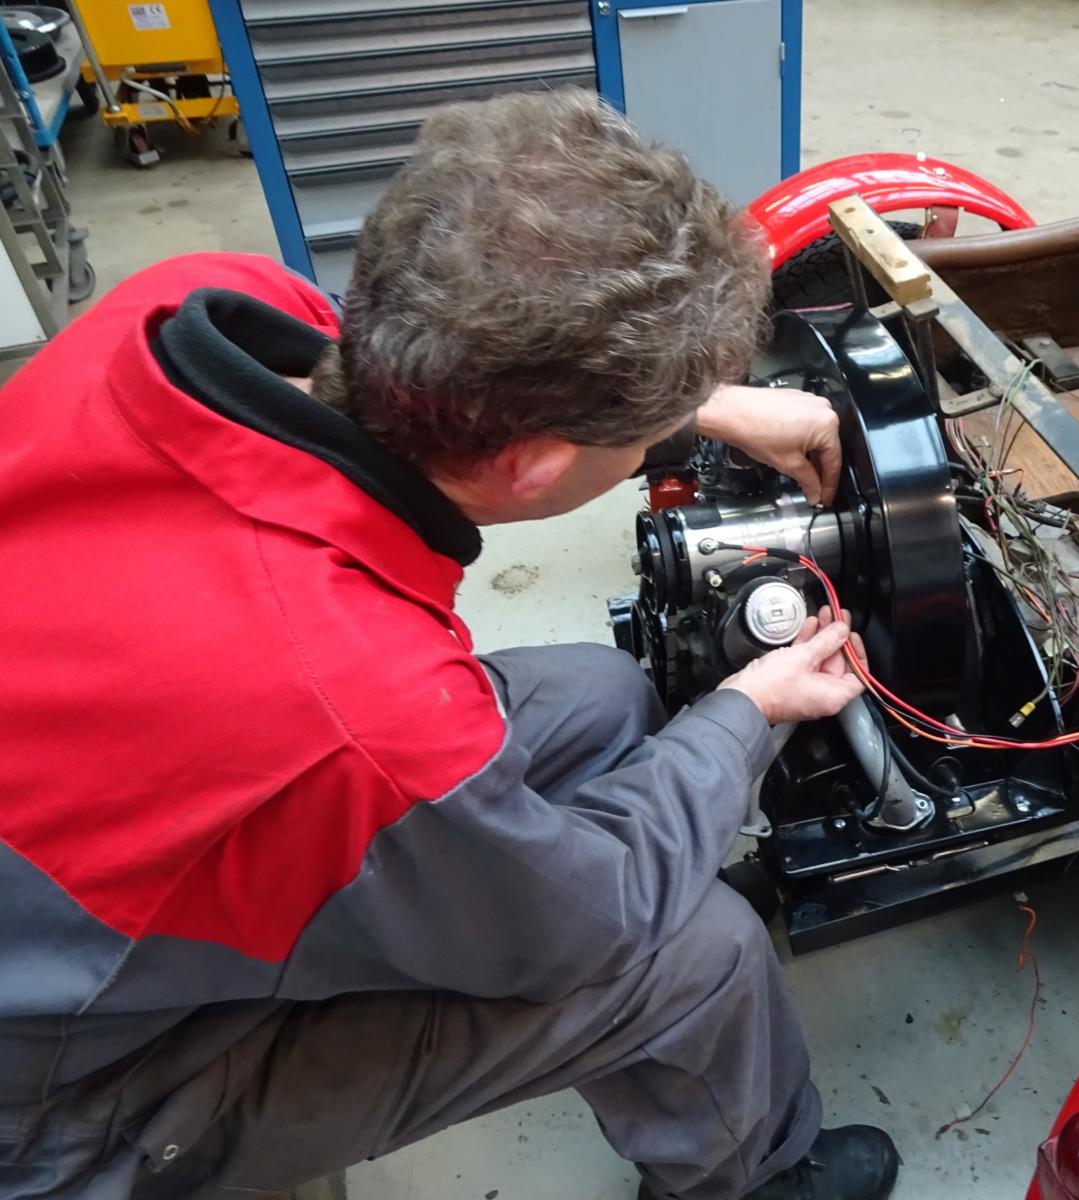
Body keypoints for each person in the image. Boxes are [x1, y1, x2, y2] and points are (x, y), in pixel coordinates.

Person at [0, 89, 900, 1200]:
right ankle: (750, 1181)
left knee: (600, 692)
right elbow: (575, 931)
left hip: (93, 814)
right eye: (630, 444)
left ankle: (531, 875)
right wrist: (748, 715)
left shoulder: (201, 302)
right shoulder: (360, 707)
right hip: (70, 1087)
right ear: (530, 465)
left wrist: (703, 406)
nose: (643, 453)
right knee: (693, 950)